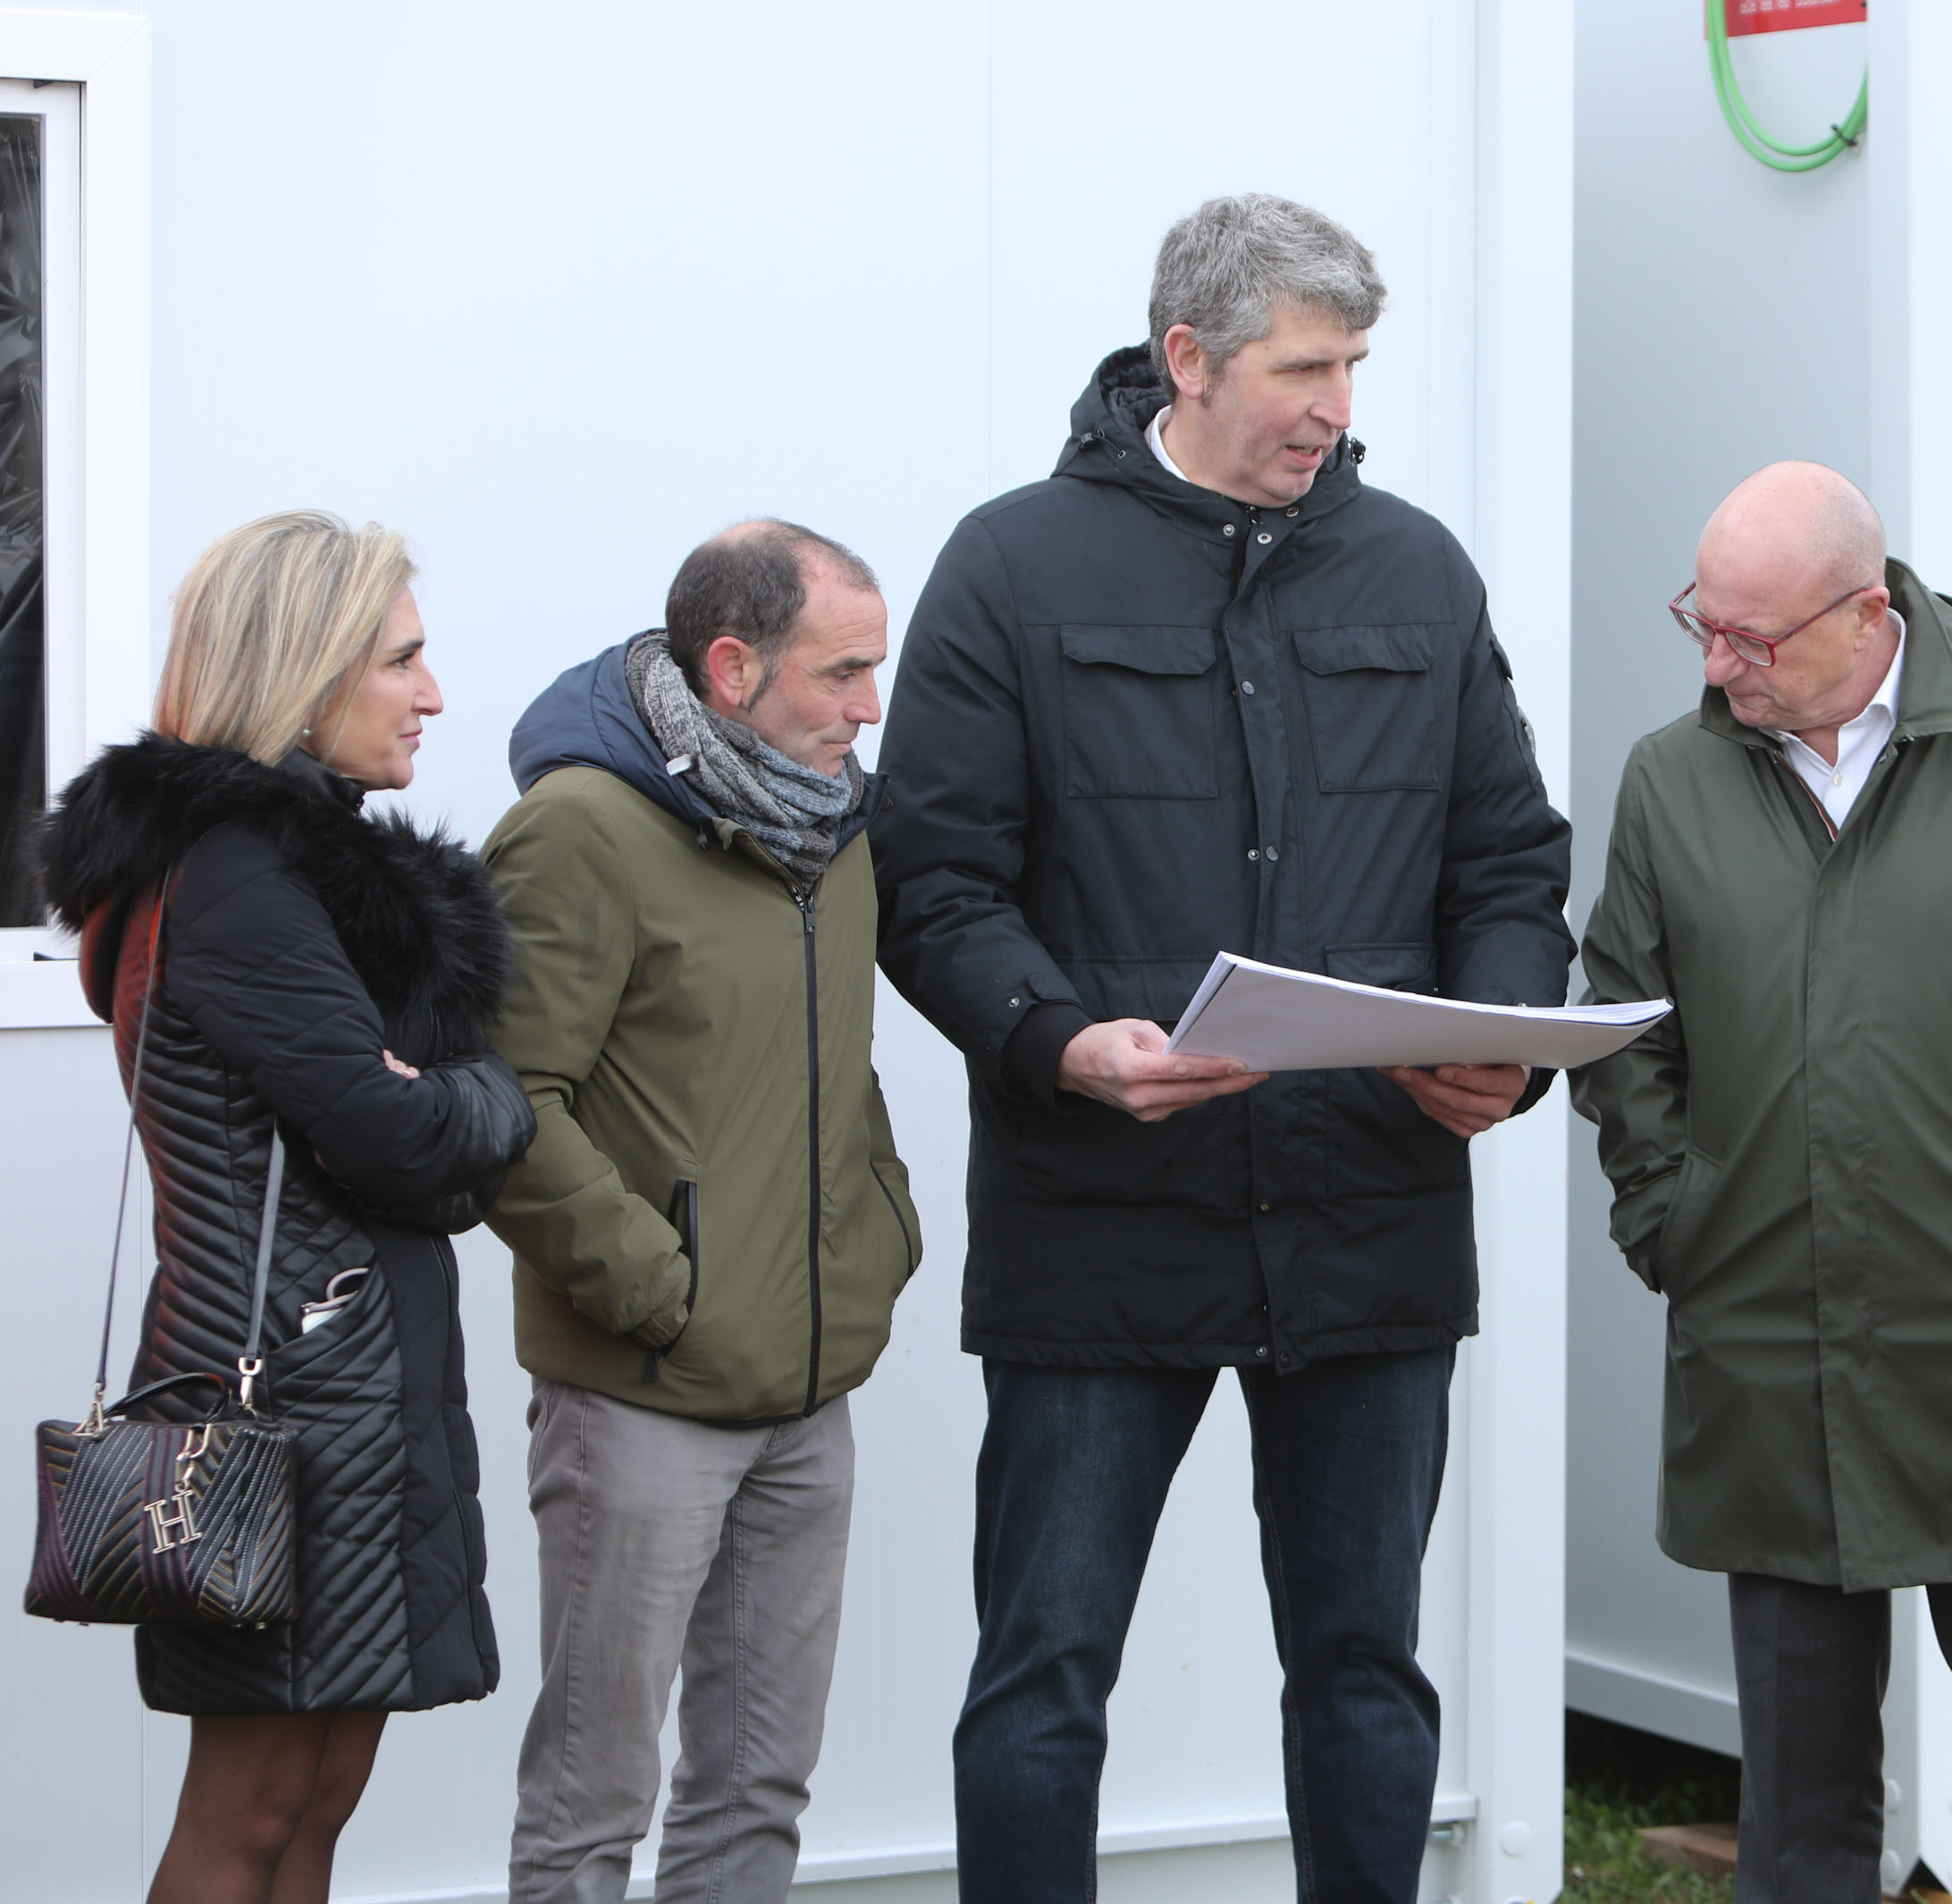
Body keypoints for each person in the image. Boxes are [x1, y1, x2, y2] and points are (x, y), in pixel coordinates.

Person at [872, 192, 1573, 1903]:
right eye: (1302, 368)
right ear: (1187, 359)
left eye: (1353, 366)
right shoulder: (1012, 567)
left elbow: (1506, 860)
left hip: (1368, 1214)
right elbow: (934, 883)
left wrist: (1506, 1046)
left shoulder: (1417, 568)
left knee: (1365, 1667)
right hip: (1100, 1217)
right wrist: (1058, 1043)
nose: (1337, 405)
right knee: (1044, 1670)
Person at [1572, 462, 1952, 1904]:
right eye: (1701, 625)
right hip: (1766, 1339)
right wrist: (1673, 1219)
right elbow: (1624, 1027)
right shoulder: (1671, 780)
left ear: (1870, 615)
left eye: (1750, 637)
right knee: (1798, 1816)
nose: (1715, 665)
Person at [38, 511, 535, 1904]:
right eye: (401, 660)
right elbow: (397, 1134)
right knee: (252, 1812)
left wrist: (446, 1101)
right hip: (286, 1402)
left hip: (337, 1392)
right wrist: (492, 1098)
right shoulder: (236, 878)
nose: (433, 695)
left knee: (312, 1802)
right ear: (305, 673)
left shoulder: (279, 872)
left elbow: (406, 1125)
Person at [484, 520, 922, 1904]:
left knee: (758, 1792)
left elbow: (830, 1069)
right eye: (842, 673)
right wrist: (659, 1290)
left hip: (808, 1393)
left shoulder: (833, 829)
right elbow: (505, 1101)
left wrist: (877, 1239)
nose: (869, 708)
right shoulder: (580, 828)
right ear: (733, 668)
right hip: (641, 1396)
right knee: (592, 1805)